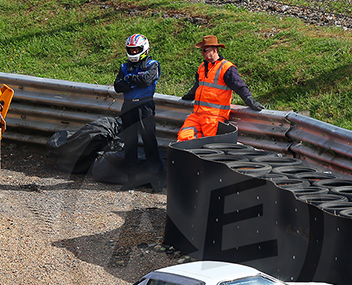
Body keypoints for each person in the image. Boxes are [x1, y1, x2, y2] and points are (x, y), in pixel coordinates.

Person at [177, 35, 264, 142]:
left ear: (214, 50)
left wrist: (250, 100)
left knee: (207, 146)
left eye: (204, 50)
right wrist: (189, 96)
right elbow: (197, 86)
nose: (202, 53)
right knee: (183, 139)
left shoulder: (227, 68)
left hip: (214, 117)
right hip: (197, 115)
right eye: (202, 50)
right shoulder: (202, 67)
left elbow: (239, 86)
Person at [113, 33, 165, 192]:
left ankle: (157, 181)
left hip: (145, 106)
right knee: (130, 143)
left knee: (149, 143)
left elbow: (146, 81)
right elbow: (117, 86)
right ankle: (130, 180)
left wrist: (128, 80)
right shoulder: (124, 66)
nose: (134, 53)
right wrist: (133, 79)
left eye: (136, 50)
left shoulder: (153, 64)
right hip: (128, 107)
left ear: (144, 49)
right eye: (131, 50)